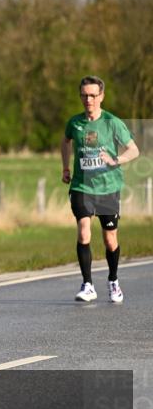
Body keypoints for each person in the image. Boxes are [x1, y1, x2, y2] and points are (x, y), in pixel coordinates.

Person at [61, 75, 140, 304]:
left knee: (110, 239)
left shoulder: (112, 122)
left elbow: (134, 150)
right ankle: (87, 285)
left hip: (108, 188)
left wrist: (116, 160)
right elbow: (65, 141)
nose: (89, 100)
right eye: (84, 95)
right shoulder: (74, 123)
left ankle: (113, 281)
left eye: (93, 95)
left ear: (101, 96)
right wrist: (65, 167)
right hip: (82, 186)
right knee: (83, 232)